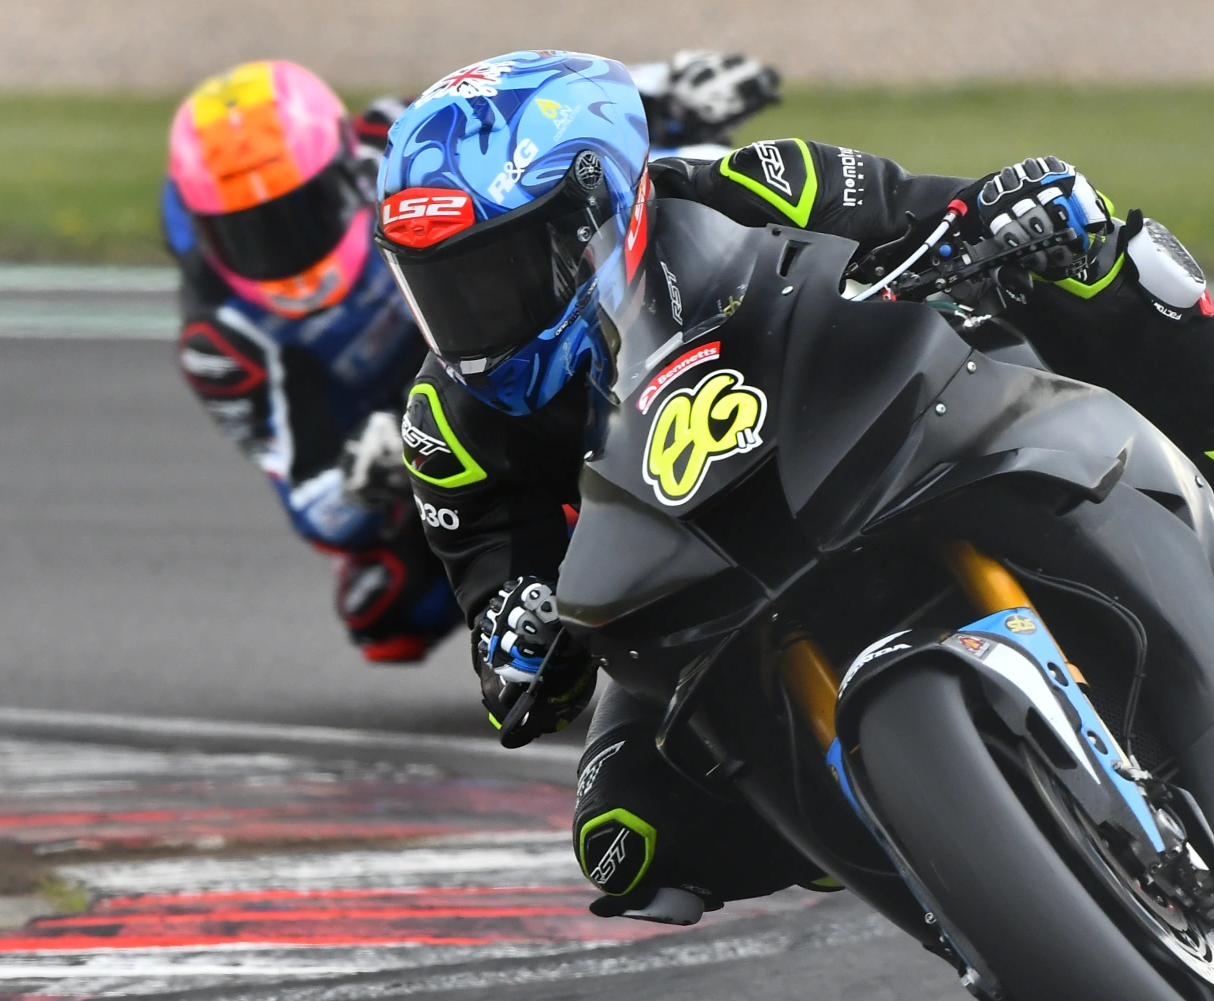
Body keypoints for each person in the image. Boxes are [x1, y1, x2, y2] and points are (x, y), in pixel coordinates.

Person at [374, 51, 1214, 924]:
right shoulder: (448, 428)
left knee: (1110, 265)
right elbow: (506, 644)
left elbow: (923, 209)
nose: (476, 314)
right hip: (694, 595)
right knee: (626, 837)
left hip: (882, 437)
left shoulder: (747, 186)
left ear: (593, 211)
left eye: (500, 270)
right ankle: (954, 862)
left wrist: (1010, 211)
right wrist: (517, 638)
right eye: (442, 286)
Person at [159, 55, 780, 662]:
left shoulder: (401, 148)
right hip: (436, 439)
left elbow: (529, 111)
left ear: (344, 172)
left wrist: (673, 87)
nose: (283, 249)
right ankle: (563, 587)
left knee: (636, 211)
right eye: (247, 232)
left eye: (300, 213)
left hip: (536, 331)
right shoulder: (222, 344)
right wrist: (358, 477)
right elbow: (307, 504)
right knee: (380, 609)